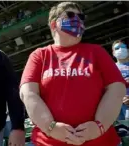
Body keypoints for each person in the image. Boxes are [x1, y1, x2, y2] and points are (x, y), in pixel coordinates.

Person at [20, 2, 126, 146]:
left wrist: (99, 126)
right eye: (70, 15)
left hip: (101, 141)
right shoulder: (39, 55)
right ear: (53, 25)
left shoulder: (96, 52)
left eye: (80, 17)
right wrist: (51, 128)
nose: (77, 19)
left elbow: (116, 89)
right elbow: (28, 93)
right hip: (48, 142)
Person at [112, 40, 129, 120]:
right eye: (117, 48)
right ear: (113, 53)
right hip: (120, 109)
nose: (120, 50)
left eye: (123, 47)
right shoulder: (111, 69)